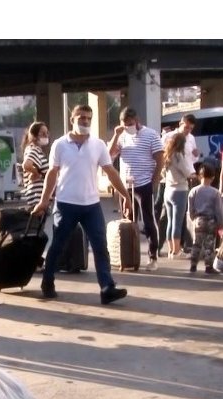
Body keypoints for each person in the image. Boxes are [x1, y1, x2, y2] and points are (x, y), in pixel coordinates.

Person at [29, 103, 134, 305]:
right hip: (66, 204)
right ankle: (47, 282)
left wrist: (126, 196)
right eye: (81, 118)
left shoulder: (98, 145)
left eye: (88, 118)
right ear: (72, 120)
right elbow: (52, 173)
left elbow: (110, 172)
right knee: (58, 246)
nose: (85, 121)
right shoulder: (60, 145)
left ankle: (106, 288)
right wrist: (44, 201)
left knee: (100, 246)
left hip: (91, 205)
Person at [106, 107, 164, 269]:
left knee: (148, 220)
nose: (127, 127)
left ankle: (153, 257)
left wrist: (155, 180)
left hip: (144, 183)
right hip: (126, 186)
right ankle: (131, 255)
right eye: (124, 124)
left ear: (136, 120)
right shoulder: (121, 136)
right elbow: (108, 156)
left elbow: (160, 159)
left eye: (130, 124)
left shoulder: (150, 134)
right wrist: (117, 134)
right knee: (129, 221)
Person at [160, 130, 195, 259]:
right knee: (178, 222)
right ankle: (176, 251)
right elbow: (187, 172)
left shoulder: (167, 156)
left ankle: (170, 250)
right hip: (179, 190)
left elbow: (162, 173)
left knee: (170, 221)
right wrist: (193, 175)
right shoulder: (179, 156)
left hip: (168, 190)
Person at [186, 164, 223, 275]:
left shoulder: (193, 191)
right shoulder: (215, 192)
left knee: (196, 243)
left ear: (199, 176)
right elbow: (219, 210)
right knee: (209, 244)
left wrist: (193, 218)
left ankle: (193, 265)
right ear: (213, 177)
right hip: (211, 220)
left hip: (198, 219)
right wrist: (221, 223)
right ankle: (208, 266)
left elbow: (190, 208)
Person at [20, 121, 51, 210]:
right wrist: (36, 173)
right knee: (37, 221)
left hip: (38, 196)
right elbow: (26, 165)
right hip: (37, 196)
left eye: (47, 133)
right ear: (34, 136)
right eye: (42, 133)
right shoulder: (34, 149)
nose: (46, 135)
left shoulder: (36, 150)